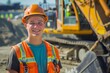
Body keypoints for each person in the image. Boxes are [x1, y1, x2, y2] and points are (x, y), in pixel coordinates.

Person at [6, 4, 62, 73]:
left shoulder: (54, 51)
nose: (36, 26)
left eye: (40, 23)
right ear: (25, 25)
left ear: (44, 24)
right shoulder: (16, 52)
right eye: (32, 23)